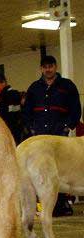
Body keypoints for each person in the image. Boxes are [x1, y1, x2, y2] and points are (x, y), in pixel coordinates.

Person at [22, 55, 82, 216]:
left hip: (60, 138)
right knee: (42, 174)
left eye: (51, 66)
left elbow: (76, 110)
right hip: (40, 139)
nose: (48, 69)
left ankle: (61, 205)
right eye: (45, 67)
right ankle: (45, 206)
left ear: (56, 67)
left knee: (62, 172)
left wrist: (67, 127)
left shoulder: (67, 86)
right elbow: (26, 111)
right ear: (41, 69)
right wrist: (32, 129)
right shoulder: (34, 88)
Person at [0, 73, 24, 145]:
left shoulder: (2, 96)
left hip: (7, 129)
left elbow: (1, 114)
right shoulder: (16, 94)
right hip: (16, 128)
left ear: (2, 82)